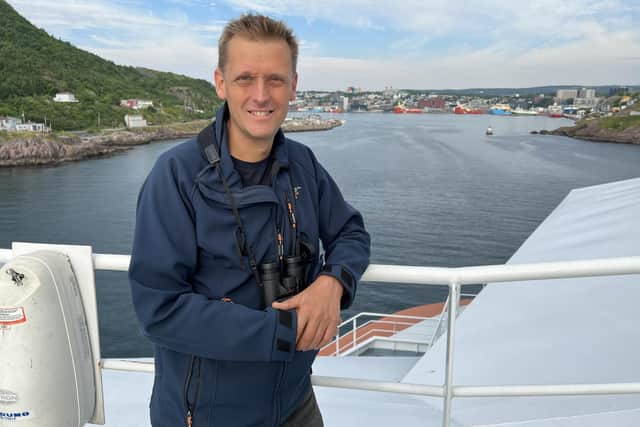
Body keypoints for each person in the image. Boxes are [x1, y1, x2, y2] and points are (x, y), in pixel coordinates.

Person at [128, 13, 371, 427]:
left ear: (294, 86)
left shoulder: (303, 165)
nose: (261, 95)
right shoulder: (176, 176)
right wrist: (281, 332)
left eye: (275, 79)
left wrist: (333, 283)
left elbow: (350, 231)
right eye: (245, 79)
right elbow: (160, 309)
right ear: (221, 83)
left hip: (295, 402)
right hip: (204, 416)